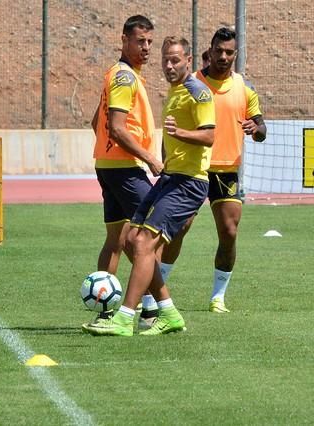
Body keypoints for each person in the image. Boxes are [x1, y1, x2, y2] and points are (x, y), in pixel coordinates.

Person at [84, 36, 215, 337]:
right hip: (171, 178)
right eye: (165, 60)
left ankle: (126, 316)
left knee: (143, 244)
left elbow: (209, 136)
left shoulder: (199, 92)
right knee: (129, 239)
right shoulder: (175, 91)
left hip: (190, 182)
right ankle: (168, 312)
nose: (169, 65)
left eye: (175, 60)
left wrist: (179, 133)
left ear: (188, 60)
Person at [160, 27, 267, 313]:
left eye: (229, 52)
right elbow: (171, 123)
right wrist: (165, 161)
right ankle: (156, 292)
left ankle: (218, 297)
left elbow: (261, 127)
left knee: (229, 232)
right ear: (210, 50)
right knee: (179, 228)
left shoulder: (245, 88)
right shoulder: (192, 83)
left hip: (226, 170)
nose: (223, 56)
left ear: (236, 53)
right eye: (218, 50)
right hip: (193, 168)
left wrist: (256, 129)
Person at [85, 15, 163, 329]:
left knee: (116, 240)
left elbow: (96, 124)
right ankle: (153, 309)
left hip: (109, 167)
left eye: (149, 42)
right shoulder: (124, 78)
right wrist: (151, 159)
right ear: (124, 40)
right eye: (139, 41)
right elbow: (116, 129)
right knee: (151, 238)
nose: (145, 48)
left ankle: (105, 307)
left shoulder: (121, 75)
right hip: (126, 170)